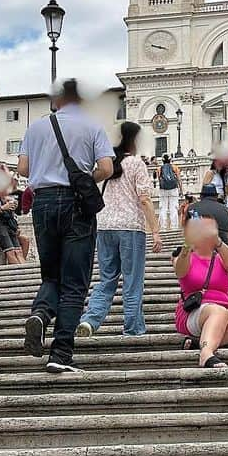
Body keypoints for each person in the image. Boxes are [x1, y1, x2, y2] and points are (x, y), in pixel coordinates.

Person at [18, 77, 114, 372]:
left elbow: (23, 169)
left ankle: (41, 313)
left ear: (57, 101)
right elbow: (107, 168)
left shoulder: (35, 128)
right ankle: (60, 355)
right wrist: (84, 179)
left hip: (43, 203)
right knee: (74, 283)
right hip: (76, 204)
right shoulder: (94, 126)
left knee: (51, 276)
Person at [78, 121, 162, 339]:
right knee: (132, 280)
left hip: (105, 226)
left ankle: (90, 319)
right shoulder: (136, 164)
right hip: (130, 227)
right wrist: (155, 230)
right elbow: (144, 200)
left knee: (107, 278)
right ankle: (133, 327)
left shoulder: (108, 166)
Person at [173, 215, 228, 368]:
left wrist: (217, 241)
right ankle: (206, 354)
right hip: (194, 311)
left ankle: (199, 343)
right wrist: (187, 245)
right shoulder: (185, 256)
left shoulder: (220, 258)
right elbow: (179, 270)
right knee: (217, 311)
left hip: (222, 308)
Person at [156, 154, 182, 231]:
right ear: (170, 160)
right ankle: (174, 227)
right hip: (173, 189)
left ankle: (163, 227)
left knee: (163, 208)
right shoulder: (175, 168)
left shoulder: (159, 169)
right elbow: (179, 180)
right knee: (173, 208)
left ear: (162, 160)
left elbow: (159, 180)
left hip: (163, 190)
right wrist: (181, 190)